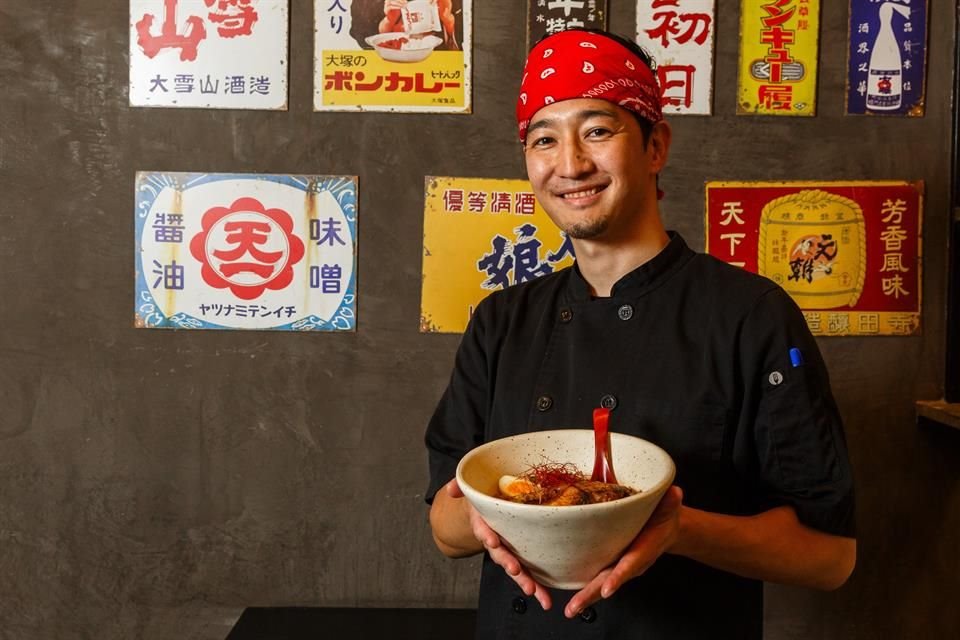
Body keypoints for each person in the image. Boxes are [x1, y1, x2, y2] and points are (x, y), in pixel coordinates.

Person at [424, 28, 856, 640]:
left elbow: (830, 557)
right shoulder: (502, 320)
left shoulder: (750, 315)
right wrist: (497, 522)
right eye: (544, 138)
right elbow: (444, 526)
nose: (570, 164)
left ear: (656, 146)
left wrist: (679, 529)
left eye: (598, 130)